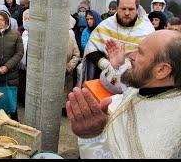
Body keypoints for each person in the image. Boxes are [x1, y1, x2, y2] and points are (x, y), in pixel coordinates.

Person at [66, 30, 181, 158]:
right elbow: (116, 82)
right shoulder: (146, 85)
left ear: (161, 70)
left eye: (140, 53)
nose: (131, 56)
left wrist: (91, 137)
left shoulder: (172, 129)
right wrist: (115, 65)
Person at [78, 0, 155, 94]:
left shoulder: (147, 30)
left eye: (131, 9)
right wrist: (106, 64)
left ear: (137, 8)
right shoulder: (106, 25)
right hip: (106, 77)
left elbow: (152, 60)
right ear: (117, 8)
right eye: (123, 9)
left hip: (134, 84)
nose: (127, 13)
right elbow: (91, 48)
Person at [17, 9, 29, 107]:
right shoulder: (21, 31)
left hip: (30, 64)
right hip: (21, 63)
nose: (27, 21)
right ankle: (21, 99)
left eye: (29, 19)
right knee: (22, 83)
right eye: (25, 19)